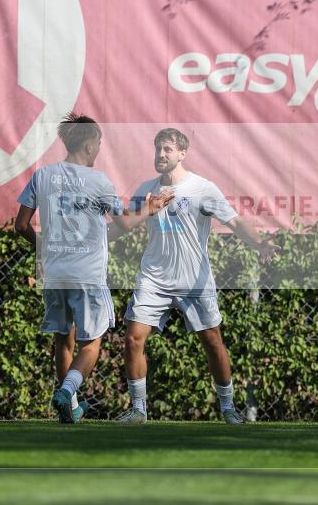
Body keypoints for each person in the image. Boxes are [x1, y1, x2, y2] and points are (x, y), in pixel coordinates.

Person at [14, 114, 173, 424]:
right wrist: (150, 208)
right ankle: (67, 391)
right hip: (87, 275)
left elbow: (20, 224)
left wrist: (43, 249)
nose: (100, 148)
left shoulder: (42, 176)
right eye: (99, 143)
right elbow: (125, 222)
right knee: (91, 344)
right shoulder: (98, 181)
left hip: (56, 273)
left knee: (63, 339)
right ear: (89, 145)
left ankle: (70, 408)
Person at [115, 128, 279, 425]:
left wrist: (260, 243)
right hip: (154, 279)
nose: (160, 154)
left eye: (167, 149)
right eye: (157, 149)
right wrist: (89, 242)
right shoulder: (145, 189)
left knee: (213, 342)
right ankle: (139, 410)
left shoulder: (202, 188)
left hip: (195, 282)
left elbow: (236, 222)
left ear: (182, 153)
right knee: (132, 339)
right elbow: (123, 224)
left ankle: (228, 408)